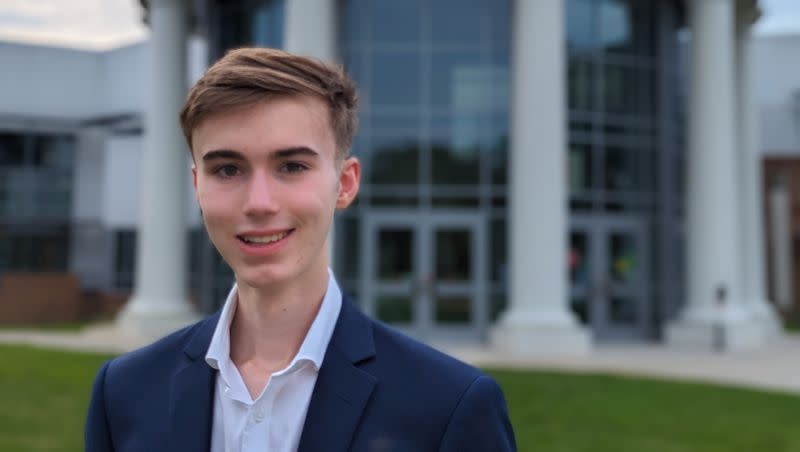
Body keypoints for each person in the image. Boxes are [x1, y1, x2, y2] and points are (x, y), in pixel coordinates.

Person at [85, 47, 516, 452]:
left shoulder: (450, 406)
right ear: (198, 185)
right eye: (228, 169)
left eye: (292, 166)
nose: (259, 203)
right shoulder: (123, 392)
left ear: (345, 184)